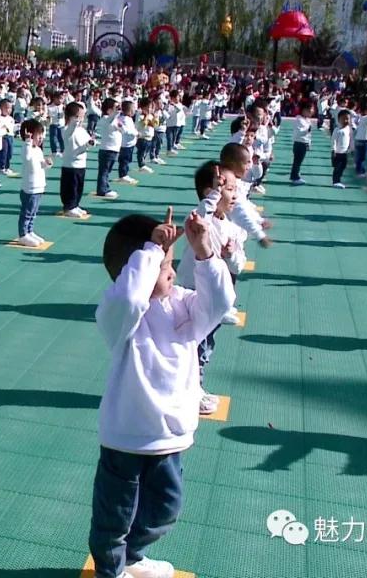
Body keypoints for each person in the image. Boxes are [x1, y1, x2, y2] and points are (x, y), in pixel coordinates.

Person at [90, 206, 234, 578]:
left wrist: (204, 251)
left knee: (165, 507)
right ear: (133, 271)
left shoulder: (181, 305)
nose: (170, 271)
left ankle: (134, 556)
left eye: (170, 263)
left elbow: (219, 304)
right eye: (162, 266)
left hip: (169, 437)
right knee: (115, 515)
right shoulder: (117, 315)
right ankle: (111, 570)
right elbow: (130, 299)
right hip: (126, 437)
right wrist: (151, 252)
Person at [177, 162, 246, 415]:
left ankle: (194, 388)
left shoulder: (230, 226)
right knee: (195, 347)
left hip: (213, 303)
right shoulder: (199, 220)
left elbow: (239, 264)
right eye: (228, 189)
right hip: (193, 295)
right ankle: (192, 393)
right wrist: (214, 194)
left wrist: (231, 255)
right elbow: (201, 216)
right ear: (211, 192)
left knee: (204, 348)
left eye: (234, 189)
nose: (234, 195)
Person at [16, 118, 50, 247]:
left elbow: (39, 164)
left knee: (33, 212)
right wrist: (28, 141)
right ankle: (23, 234)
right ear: (28, 135)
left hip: (39, 187)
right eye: (38, 135)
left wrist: (46, 164)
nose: (41, 137)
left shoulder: (38, 150)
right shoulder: (27, 149)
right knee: (27, 212)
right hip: (30, 188)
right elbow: (27, 158)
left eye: (42, 134)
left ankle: (30, 231)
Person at [93, 98, 122, 202]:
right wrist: (116, 113)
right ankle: (102, 190)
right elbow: (111, 118)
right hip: (107, 149)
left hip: (113, 149)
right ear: (109, 110)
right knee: (104, 171)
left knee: (107, 170)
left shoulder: (113, 119)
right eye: (115, 107)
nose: (118, 109)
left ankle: (105, 187)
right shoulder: (106, 118)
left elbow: (120, 128)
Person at [289, 101, 315, 186]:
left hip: (304, 143)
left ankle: (296, 174)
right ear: (304, 110)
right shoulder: (299, 119)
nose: (311, 112)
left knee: (299, 161)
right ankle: (294, 177)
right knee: (297, 161)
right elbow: (299, 132)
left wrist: (309, 143)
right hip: (299, 143)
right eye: (310, 110)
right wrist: (307, 130)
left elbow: (308, 135)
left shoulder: (307, 120)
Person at [330, 109, 352, 189]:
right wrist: (333, 150)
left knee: (343, 166)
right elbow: (333, 141)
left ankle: (338, 179)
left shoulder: (349, 129)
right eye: (344, 119)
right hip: (338, 152)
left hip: (345, 152)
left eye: (348, 118)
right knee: (337, 167)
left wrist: (351, 149)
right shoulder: (337, 130)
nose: (346, 120)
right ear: (339, 119)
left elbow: (350, 139)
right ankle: (336, 181)